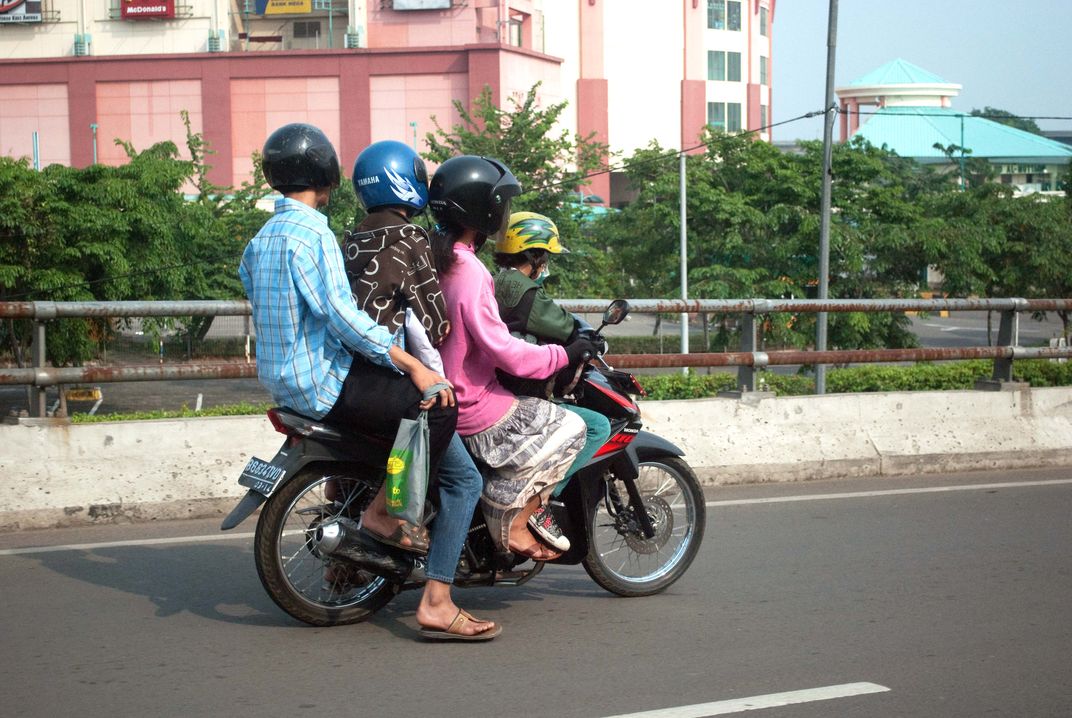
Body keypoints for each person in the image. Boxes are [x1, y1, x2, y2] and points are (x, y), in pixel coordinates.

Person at [240, 124, 496, 640]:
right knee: (439, 404)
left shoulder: (262, 239)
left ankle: (365, 543)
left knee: (408, 410)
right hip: (322, 384)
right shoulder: (314, 235)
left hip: (283, 384)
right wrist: (414, 365)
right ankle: (389, 521)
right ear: (327, 177)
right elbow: (343, 319)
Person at [344, 139, 497, 640]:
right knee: (465, 481)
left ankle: (343, 567)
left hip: (350, 378)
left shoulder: (349, 238)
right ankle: (437, 599)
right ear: (406, 182)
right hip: (395, 378)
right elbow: (433, 323)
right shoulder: (410, 238)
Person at [429, 155, 594, 561]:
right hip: (473, 403)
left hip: (441, 390)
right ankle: (515, 519)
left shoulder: (435, 256)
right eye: (500, 206)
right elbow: (505, 351)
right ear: (483, 210)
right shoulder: (470, 271)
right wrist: (563, 354)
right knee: (574, 427)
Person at [492, 211, 612, 549]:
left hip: (497, 388)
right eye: (544, 256)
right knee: (597, 426)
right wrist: (587, 340)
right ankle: (539, 502)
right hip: (521, 396)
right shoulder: (524, 291)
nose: (545, 264)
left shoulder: (494, 280)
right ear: (533, 255)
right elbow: (564, 326)